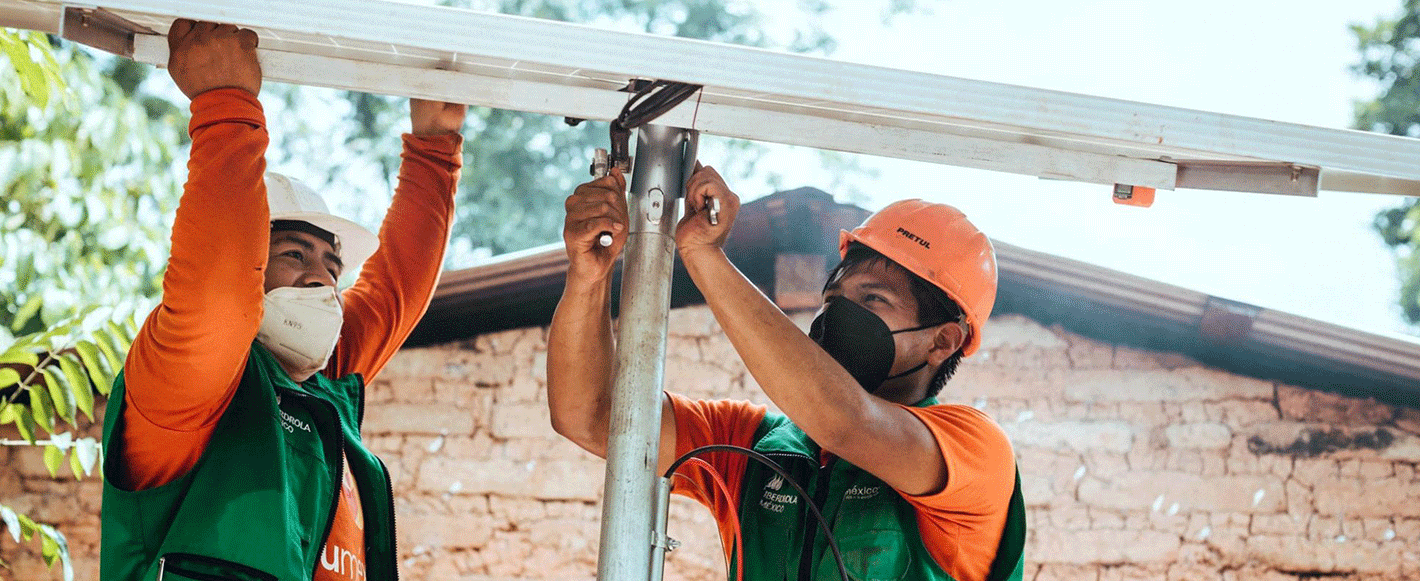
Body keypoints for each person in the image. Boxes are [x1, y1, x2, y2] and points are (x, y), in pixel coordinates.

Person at [99, 19, 467, 581]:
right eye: (295, 255)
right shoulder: (187, 387)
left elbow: (397, 284)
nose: (322, 280)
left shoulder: (322, 387)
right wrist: (226, 105)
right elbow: (216, 297)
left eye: (332, 266)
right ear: (250, 264)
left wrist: (436, 147)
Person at [548, 165, 1026, 581]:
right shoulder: (754, 446)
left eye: (873, 299)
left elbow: (846, 421)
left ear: (943, 340)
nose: (839, 315)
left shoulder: (973, 453)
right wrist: (588, 278)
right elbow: (593, 417)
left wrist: (703, 254)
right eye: (835, 299)